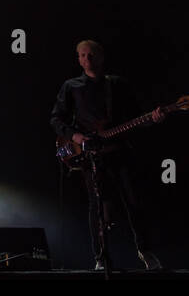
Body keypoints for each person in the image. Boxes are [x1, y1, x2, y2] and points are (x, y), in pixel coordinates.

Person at [50, 40, 163, 270]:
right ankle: (100, 257)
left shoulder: (118, 85)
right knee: (98, 206)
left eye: (90, 55)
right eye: (82, 56)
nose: (86, 60)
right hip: (91, 155)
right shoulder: (71, 86)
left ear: (101, 58)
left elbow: (136, 119)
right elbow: (56, 119)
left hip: (120, 151)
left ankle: (145, 251)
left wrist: (153, 119)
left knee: (134, 201)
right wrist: (76, 137)